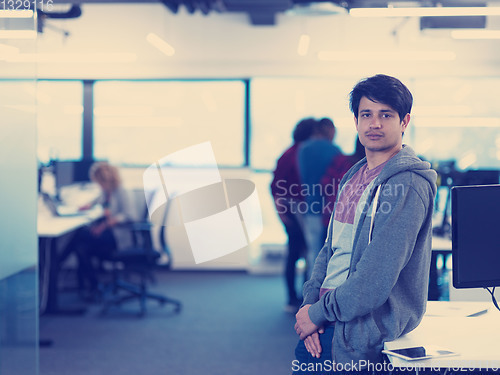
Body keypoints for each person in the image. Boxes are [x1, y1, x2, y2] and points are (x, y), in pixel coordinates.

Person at [293, 74, 437, 373]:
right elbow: (329, 251)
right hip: (327, 318)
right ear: (356, 122)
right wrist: (309, 307)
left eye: (386, 115)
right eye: (366, 115)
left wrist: (317, 315)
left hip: (359, 331)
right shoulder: (353, 176)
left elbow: (374, 279)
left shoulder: (407, 183)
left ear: (404, 121)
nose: (375, 124)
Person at [68, 161, 135, 298]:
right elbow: (97, 202)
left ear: (106, 180)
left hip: (119, 237)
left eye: (99, 182)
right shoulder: (106, 192)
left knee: (80, 235)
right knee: (81, 248)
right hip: (108, 235)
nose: (98, 185)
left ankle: (58, 263)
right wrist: (87, 206)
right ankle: (92, 286)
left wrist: (104, 226)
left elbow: (130, 215)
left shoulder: (122, 191)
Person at [271, 117, 315, 312]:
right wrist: (282, 213)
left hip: (295, 209)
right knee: (300, 252)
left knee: (298, 252)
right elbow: (276, 187)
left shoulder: (292, 152)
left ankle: (296, 298)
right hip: (294, 209)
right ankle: (294, 298)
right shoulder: (297, 153)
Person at [297, 117, 341, 280]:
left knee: (312, 251)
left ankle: (308, 292)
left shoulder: (303, 149)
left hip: (310, 205)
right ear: (329, 130)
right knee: (327, 254)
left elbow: (303, 177)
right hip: (330, 208)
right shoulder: (334, 150)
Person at [319, 136, 365, 230]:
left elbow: (325, 184)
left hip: (332, 215)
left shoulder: (341, 160)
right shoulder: (371, 168)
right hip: (354, 223)